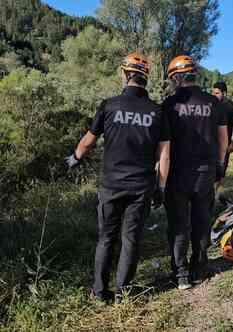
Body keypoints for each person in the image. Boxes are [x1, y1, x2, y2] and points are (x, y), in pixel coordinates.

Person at [64, 52, 171, 302]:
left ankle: (99, 292)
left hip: (111, 184)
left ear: (124, 74)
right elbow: (164, 156)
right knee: (131, 238)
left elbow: (88, 142)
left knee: (106, 238)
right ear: (145, 78)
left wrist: (75, 158)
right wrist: (161, 187)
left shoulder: (109, 105)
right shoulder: (157, 111)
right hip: (141, 186)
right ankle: (124, 293)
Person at [162, 55, 228, 290]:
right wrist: (220, 167)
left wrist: (160, 178)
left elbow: (164, 146)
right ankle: (199, 269)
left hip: (177, 174)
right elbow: (223, 139)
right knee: (201, 221)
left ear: (177, 77)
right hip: (205, 172)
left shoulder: (169, 104)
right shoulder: (213, 102)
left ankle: (180, 274)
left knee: (178, 224)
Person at [213, 82, 233, 178]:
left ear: (224, 93)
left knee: (221, 171)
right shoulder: (211, 105)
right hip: (211, 143)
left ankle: (217, 192)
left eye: (217, 93)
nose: (214, 95)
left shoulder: (232, 107)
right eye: (213, 93)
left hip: (225, 144)